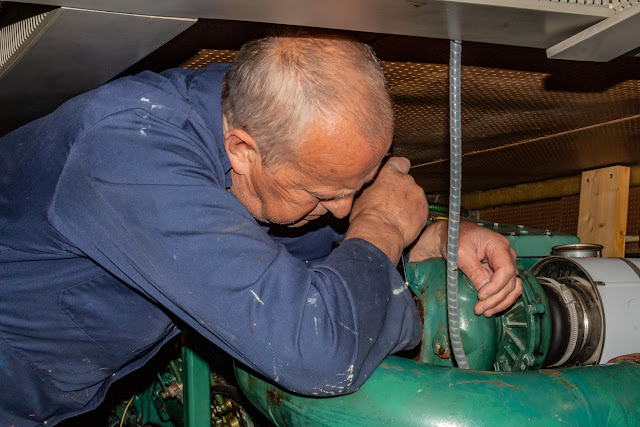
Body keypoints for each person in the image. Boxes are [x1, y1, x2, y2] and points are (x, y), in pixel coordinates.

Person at [0, 34, 521, 425]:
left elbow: (305, 232)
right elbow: (313, 351)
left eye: (358, 187)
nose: (343, 211)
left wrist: (422, 238)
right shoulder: (126, 155)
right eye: (321, 194)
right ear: (242, 151)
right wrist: (380, 222)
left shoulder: (255, 113)